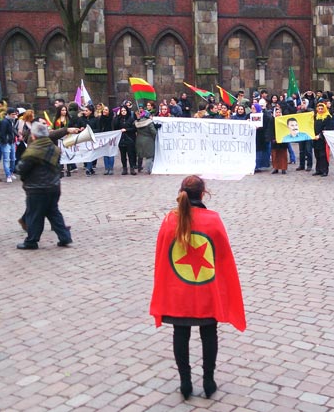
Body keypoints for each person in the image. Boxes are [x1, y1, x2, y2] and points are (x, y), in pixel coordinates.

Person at [149, 175, 246, 399]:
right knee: (209, 332)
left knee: (180, 332)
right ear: (203, 193)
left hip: (179, 292)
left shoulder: (169, 220)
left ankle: (185, 382)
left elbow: (162, 258)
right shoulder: (213, 220)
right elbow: (222, 258)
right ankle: (209, 380)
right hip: (206, 290)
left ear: (181, 192)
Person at [14, 122, 73, 250]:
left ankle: (31, 241)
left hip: (36, 188)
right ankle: (65, 237)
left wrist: (23, 176)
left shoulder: (33, 150)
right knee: (53, 213)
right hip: (53, 186)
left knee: (34, 215)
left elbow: (21, 168)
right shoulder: (54, 149)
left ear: (34, 136)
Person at [113, 105, 137, 175]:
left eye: (124, 110)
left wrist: (126, 129)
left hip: (129, 139)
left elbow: (134, 129)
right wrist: (117, 117)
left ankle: (132, 168)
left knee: (131, 155)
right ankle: (124, 168)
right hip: (121, 139)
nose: (123, 112)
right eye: (122, 111)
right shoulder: (119, 119)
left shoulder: (131, 119)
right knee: (123, 155)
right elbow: (115, 126)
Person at [312, 102, 334, 176]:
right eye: (319, 109)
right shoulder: (315, 117)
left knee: (323, 155)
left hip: (323, 140)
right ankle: (318, 170)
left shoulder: (328, 117)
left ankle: (324, 170)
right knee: (317, 155)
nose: (320, 110)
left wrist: (320, 135)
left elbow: (328, 129)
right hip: (315, 139)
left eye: (322, 109)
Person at [0, 108, 19, 183]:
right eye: (12, 114)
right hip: (7, 142)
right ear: (8, 114)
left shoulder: (11, 121)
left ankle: (10, 172)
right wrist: (5, 141)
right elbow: (2, 133)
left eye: (14, 114)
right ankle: (8, 175)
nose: (14, 116)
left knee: (13, 158)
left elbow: (13, 130)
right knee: (7, 159)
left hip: (12, 141)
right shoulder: (5, 122)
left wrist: (17, 135)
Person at [268, 106, 288, 174]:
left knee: (283, 154)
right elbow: (270, 130)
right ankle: (275, 168)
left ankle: (283, 168)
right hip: (275, 140)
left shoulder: (284, 120)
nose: (278, 113)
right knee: (275, 154)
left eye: (279, 112)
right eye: (277, 112)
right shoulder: (272, 120)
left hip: (283, 140)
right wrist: (273, 138)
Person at [97, 105, 115, 175]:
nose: (104, 111)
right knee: (105, 153)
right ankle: (106, 168)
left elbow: (115, 127)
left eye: (106, 110)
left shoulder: (112, 119)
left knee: (111, 153)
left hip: (111, 137)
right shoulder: (100, 118)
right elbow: (99, 128)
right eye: (104, 110)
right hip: (103, 138)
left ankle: (111, 168)